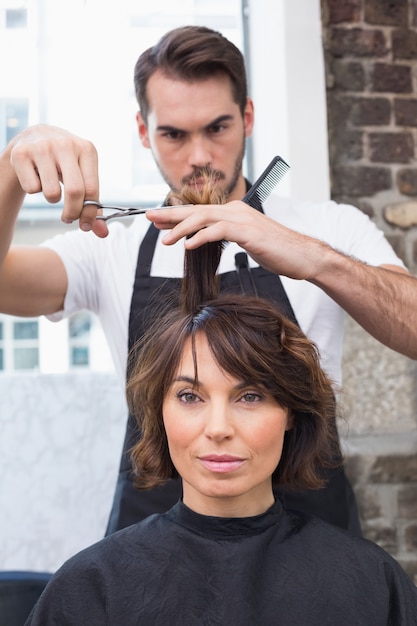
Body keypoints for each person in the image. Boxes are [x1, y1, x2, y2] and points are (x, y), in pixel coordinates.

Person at [1, 25, 417, 535]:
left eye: (217, 128)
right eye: (174, 134)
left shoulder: (329, 227)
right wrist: (9, 167)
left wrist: (313, 258)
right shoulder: (113, 248)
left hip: (312, 551)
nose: (199, 157)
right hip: (154, 557)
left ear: (247, 117)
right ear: (142, 131)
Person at [25, 226, 417, 625]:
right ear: (158, 414)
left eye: (250, 396)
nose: (218, 428)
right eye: (190, 397)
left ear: (290, 414)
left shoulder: (371, 584)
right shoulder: (90, 589)